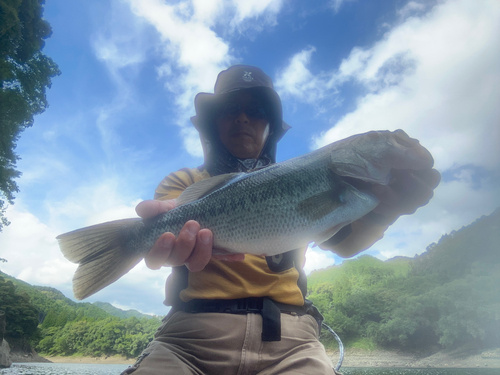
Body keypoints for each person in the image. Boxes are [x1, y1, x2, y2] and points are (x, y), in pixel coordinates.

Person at [124, 65, 441, 375]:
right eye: (231, 108)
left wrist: (386, 212)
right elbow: (169, 225)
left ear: (270, 126)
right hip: (189, 341)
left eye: (257, 111)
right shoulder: (185, 181)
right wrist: (154, 242)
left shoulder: (322, 181)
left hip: (292, 345)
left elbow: (344, 244)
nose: (243, 117)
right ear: (212, 122)